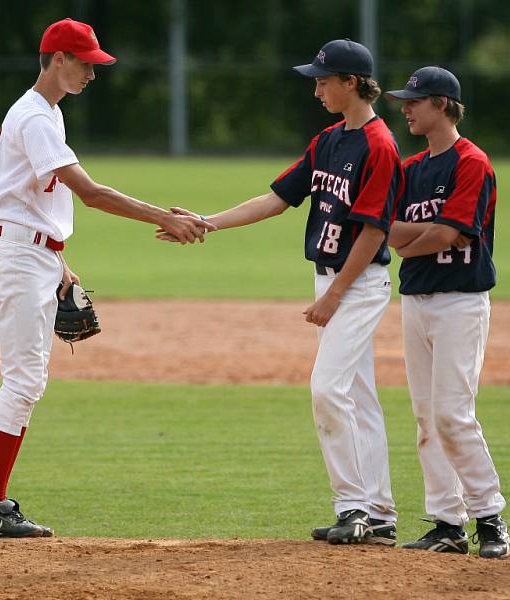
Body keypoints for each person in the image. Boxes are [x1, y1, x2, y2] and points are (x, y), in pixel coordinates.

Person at [0, 17, 214, 538]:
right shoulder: (35, 117)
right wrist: (163, 217)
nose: (92, 74)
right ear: (58, 59)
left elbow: (36, 198)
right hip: (17, 256)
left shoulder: (46, 113)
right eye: (85, 63)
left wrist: (57, 259)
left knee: (28, 380)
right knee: (24, 380)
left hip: (33, 253)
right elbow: (91, 193)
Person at [159, 39, 402, 545]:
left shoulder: (379, 146)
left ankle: (352, 507)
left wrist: (334, 295)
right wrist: (208, 222)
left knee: (327, 389)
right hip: (334, 280)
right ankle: (378, 513)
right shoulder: (329, 140)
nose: (316, 89)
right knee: (358, 395)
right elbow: (276, 199)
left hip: (355, 283)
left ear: (351, 82)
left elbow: (376, 232)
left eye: (323, 79)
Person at [385, 67, 510, 559]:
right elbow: (388, 229)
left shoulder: (471, 162)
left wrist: (419, 238)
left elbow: (450, 234)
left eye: (414, 101)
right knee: (425, 417)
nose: (405, 108)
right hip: (416, 301)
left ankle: (489, 515)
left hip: (461, 301)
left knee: (452, 414)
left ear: (442, 105)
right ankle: (446, 523)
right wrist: (429, 234)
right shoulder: (412, 169)